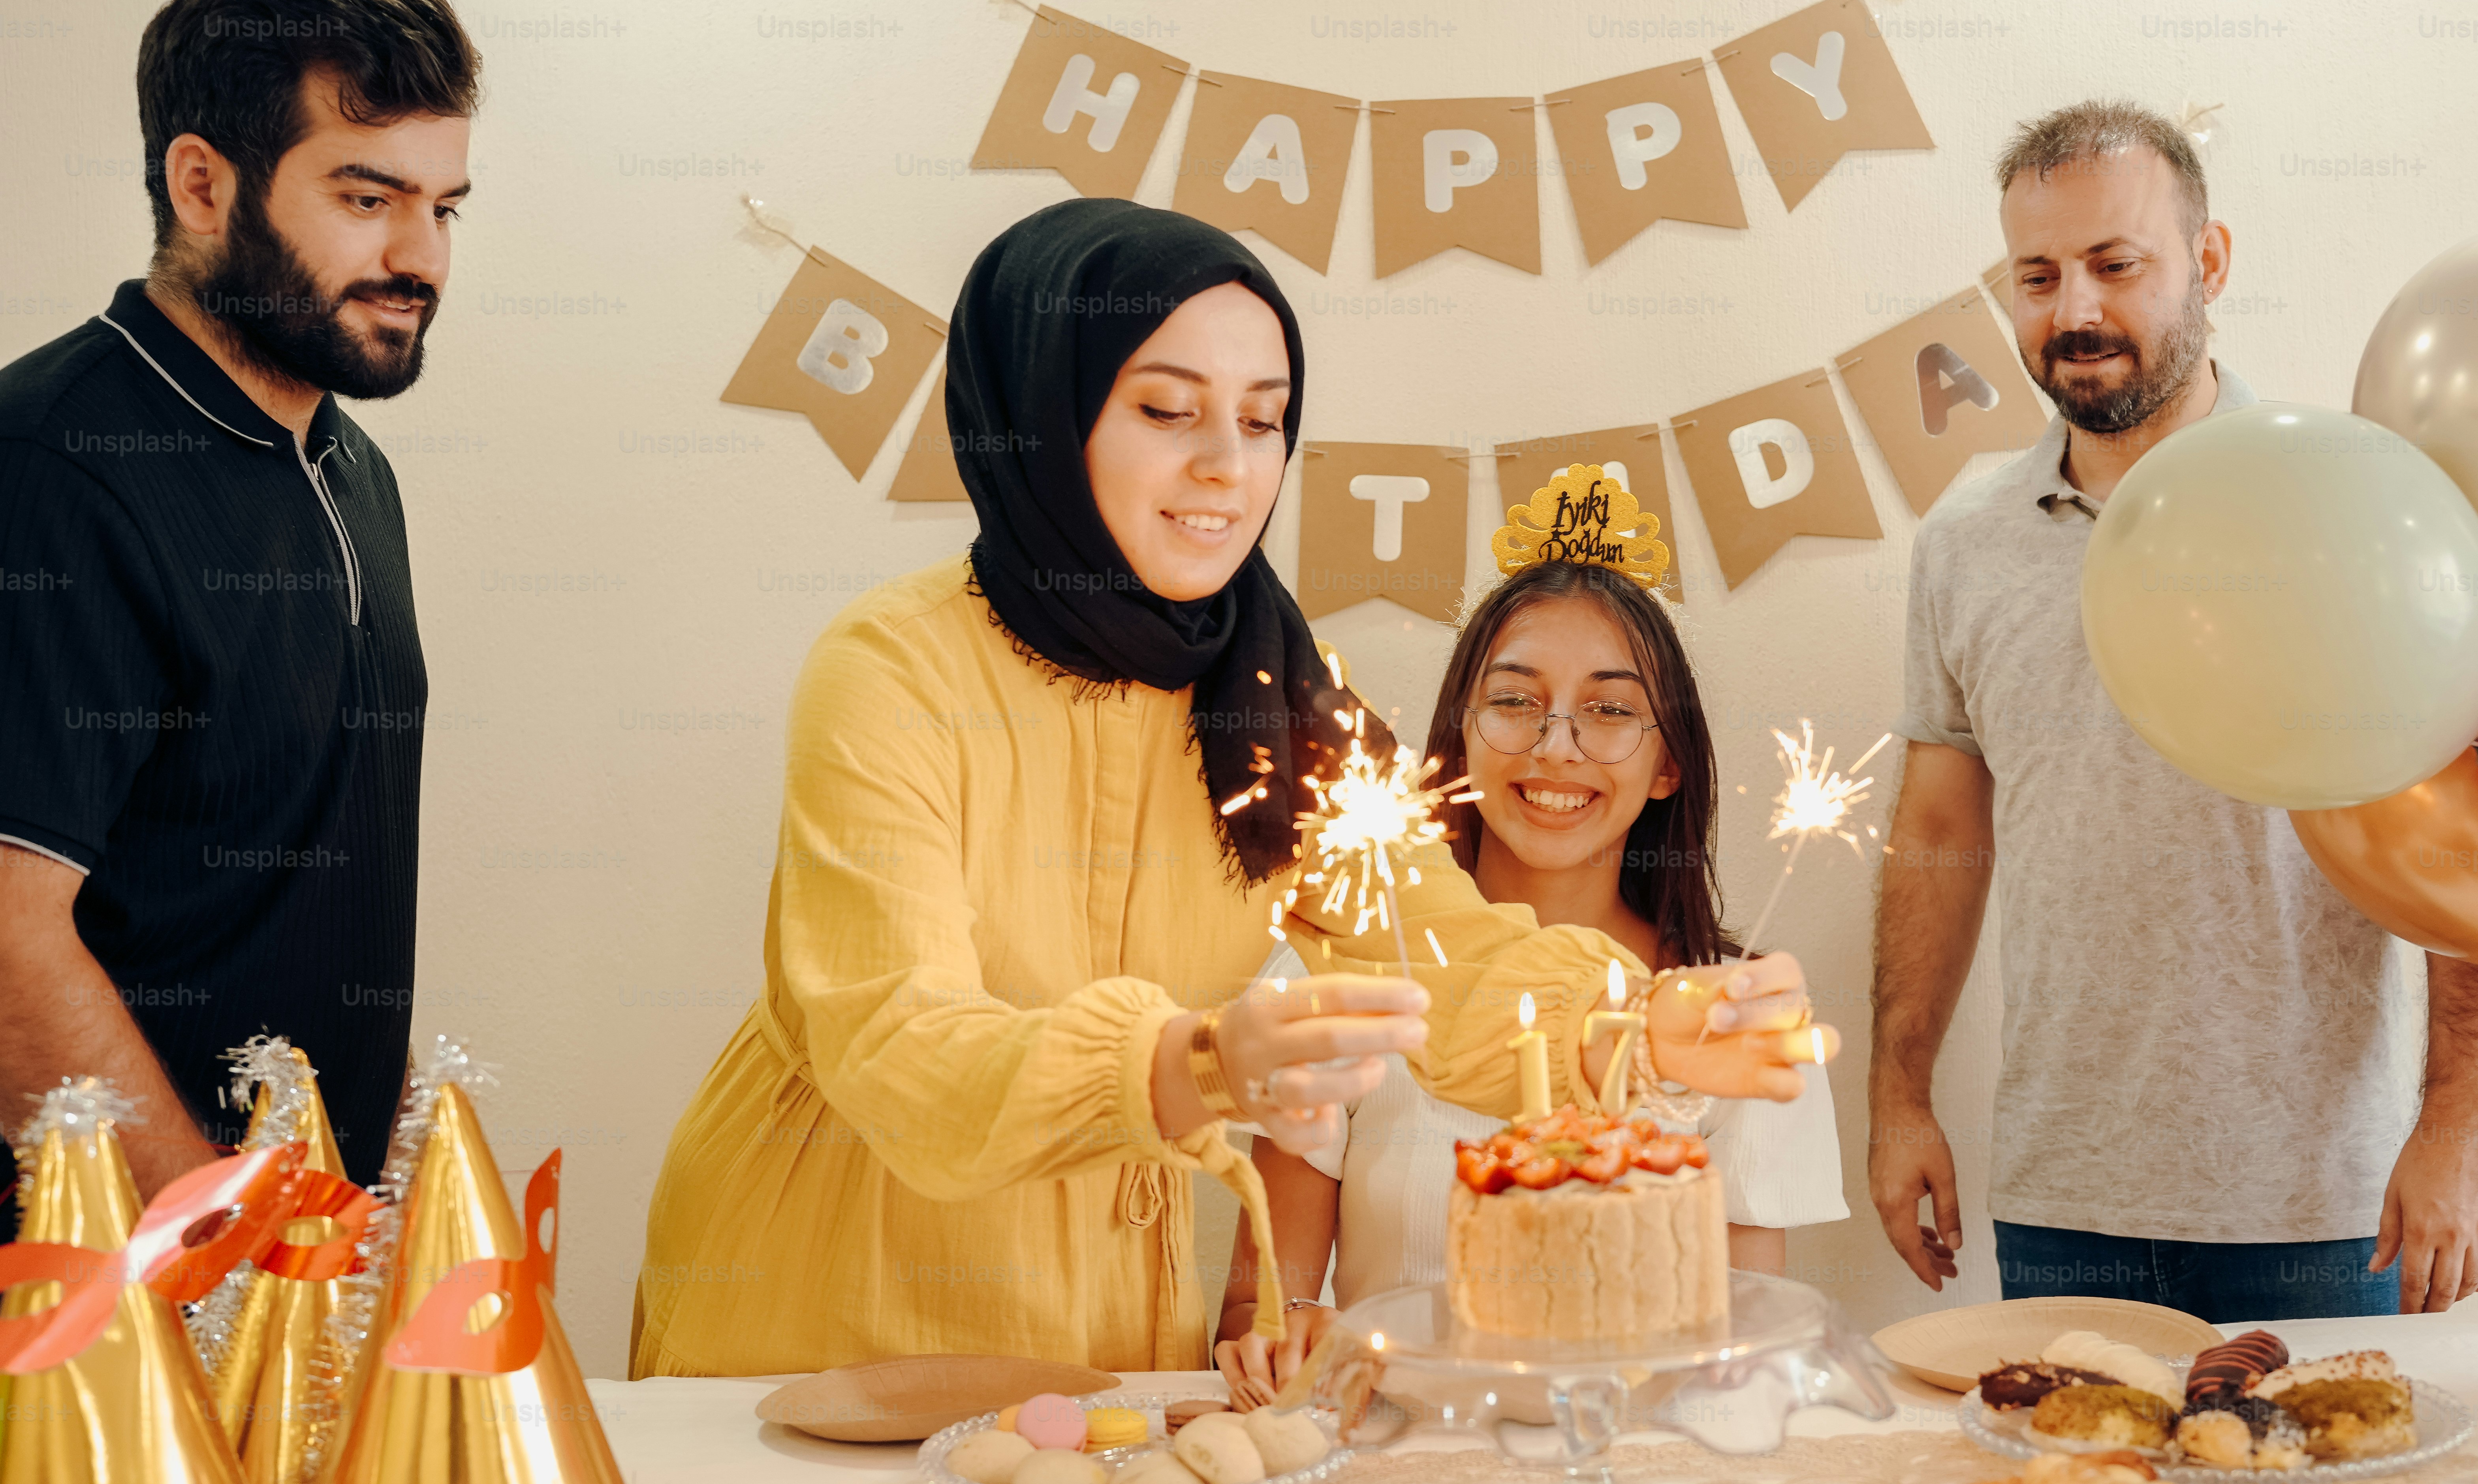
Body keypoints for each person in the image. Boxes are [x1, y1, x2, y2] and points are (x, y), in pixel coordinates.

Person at [631, 199, 1831, 1378]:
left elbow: (1444, 959)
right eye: (1168, 410)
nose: (1228, 467)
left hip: (1104, 1316)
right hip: (825, 1297)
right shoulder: (891, 670)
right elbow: (899, 1048)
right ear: (1043, 413)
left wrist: (1638, 1027)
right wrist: (1194, 1066)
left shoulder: (1279, 702)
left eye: (1265, 423)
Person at [1867, 99, 2478, 1321]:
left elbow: (2467, 813)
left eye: (2118, 266)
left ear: (2209, 262)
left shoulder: (2350, 507)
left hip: (2325, 1207)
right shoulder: (1964, 546)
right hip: (2064, 1201)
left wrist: (2466, 1117)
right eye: (2039, 275)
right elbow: (1941, 836)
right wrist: (1899, 1098)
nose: (2075, 313)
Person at [0, 0, 476, 1221]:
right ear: (202, 184)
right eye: (368, 198)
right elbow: (6, 942)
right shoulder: (50, 466)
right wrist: (225, 1238)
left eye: (446, 207)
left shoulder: (352, 466)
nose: (419, 256)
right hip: (95, 1309)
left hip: (288, 1274)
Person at [1215, 534, 1850, 1402]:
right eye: (1515, 700)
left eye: (1612, 710)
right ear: (1460, 738)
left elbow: (1743, 1340)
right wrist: (1281, 1334)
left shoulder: (1733, 1013)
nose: (1557, 746)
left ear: (1670, 764)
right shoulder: (1344, 964)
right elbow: (1261, 1307)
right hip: (1400, 1462)